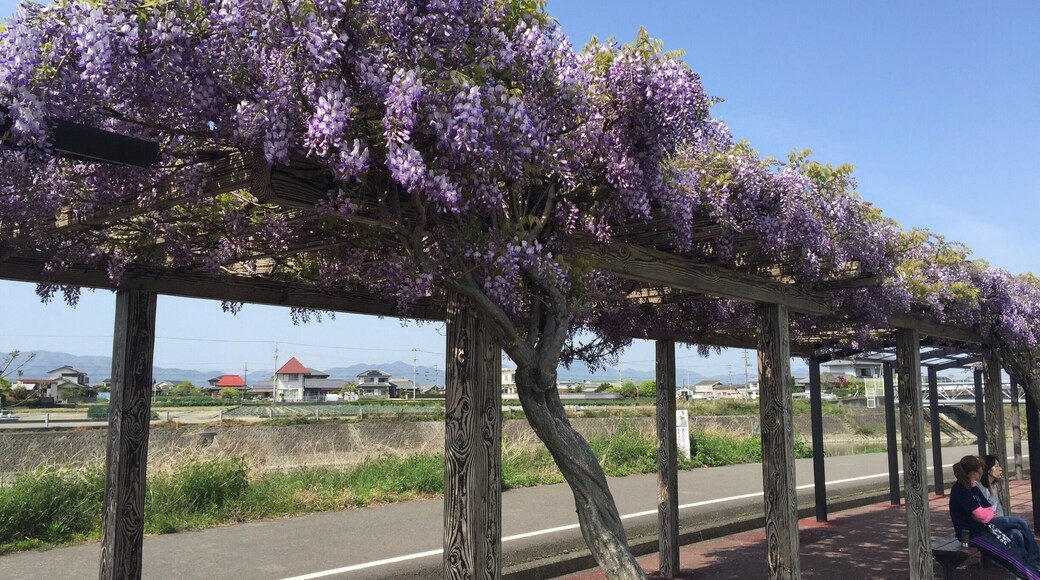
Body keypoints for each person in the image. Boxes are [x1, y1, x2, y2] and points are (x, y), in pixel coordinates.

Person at [979, 454, 1040, 560]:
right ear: (988, 469)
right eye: (996, 466)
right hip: (986, 525)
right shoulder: (979, 487)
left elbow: (998, 511)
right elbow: (985, 511)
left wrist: (1003, 522)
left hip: (996, 521)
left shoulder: (993, 486)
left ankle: (1023, 562)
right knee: (1020, 521)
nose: (1000, 468)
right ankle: (1036, 555)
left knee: (1016, 534)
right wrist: (993, 497)